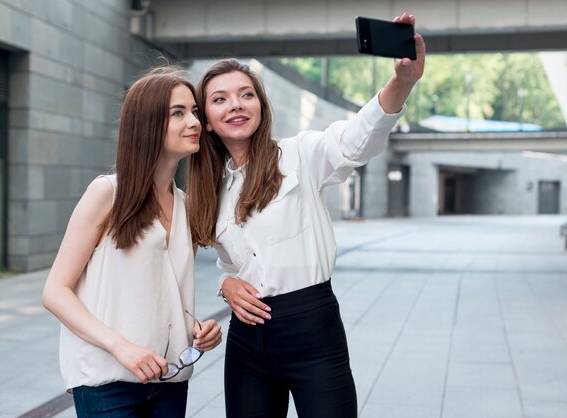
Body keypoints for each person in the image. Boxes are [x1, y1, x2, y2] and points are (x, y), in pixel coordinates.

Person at [186, 12, 424, 418]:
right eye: (219, 99)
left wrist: (402, 81)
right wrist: (226, 285)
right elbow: (232, 263)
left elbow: (356, 140)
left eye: (246, 94)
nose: (236, 105)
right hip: (247, 340)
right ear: (206, 121)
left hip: (312, 329)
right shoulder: (211, 187)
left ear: (260, 104)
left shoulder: (300, 153)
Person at [42, 66, 222, 418]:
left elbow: (157, 292)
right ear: (147, 124)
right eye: (178, 113)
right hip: (107, 381)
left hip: (170, 379)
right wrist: (121, 347)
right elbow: (55, 292)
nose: (195, 122)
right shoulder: (107, 192)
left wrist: (197, 330)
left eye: (195, 112)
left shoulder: (187, 205)